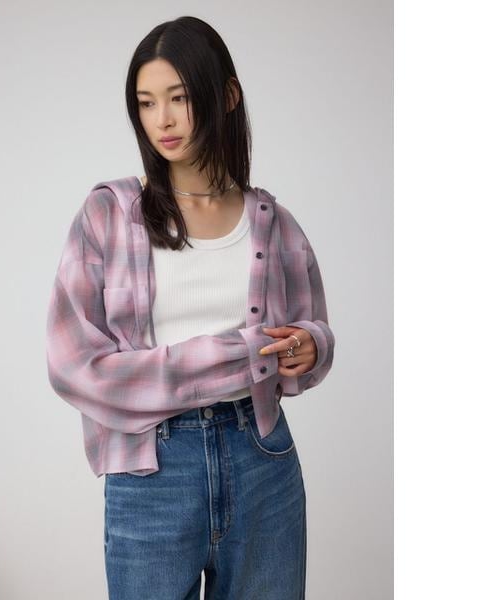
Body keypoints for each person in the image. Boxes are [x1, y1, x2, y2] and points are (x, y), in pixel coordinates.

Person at [46, 15, 335, 600]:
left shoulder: (272, 222)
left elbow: (309, 335)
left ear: (226, 96)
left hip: (262, 459)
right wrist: (238, 357)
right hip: (151, 468)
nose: (163, 120)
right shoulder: (108, 215)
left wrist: (311, 345)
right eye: (146, 103)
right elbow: (73, 365)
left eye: (179, 98)